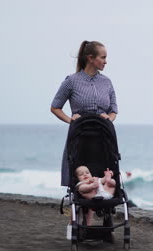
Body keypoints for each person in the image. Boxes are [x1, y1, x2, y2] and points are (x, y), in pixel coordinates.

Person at [51, 40, 118, 187]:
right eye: (103, 57)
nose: (106, 61)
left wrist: (109, 119)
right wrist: (70, 120)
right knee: (80, 173)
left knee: (103, 172)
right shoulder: (72, 81)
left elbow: (114, 110)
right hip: (79, 136)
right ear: (90, 58)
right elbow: (55, 107)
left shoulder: (107, 82)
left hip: (102, 136)